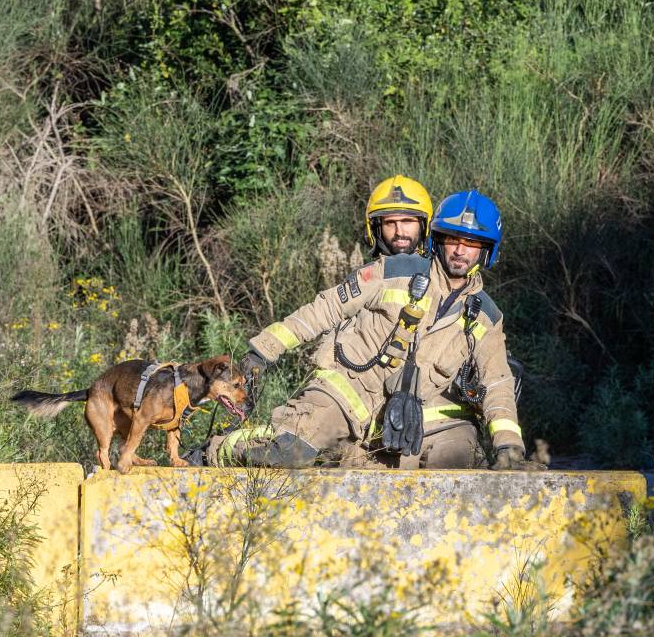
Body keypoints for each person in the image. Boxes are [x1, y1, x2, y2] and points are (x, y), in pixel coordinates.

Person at [209, 189, 537, 470]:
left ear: (487, 250)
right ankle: (220, 448)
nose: (460, 251)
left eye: (472, 243)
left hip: (413, 420)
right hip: (345, 396)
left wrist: (509, 447)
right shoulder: (393, 271)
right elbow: (324, 309)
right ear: (437, 240)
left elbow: (498, 382)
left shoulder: (486, 317)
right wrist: (262, 351)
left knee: (461, 460)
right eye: (452, 239)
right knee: (287, 454)